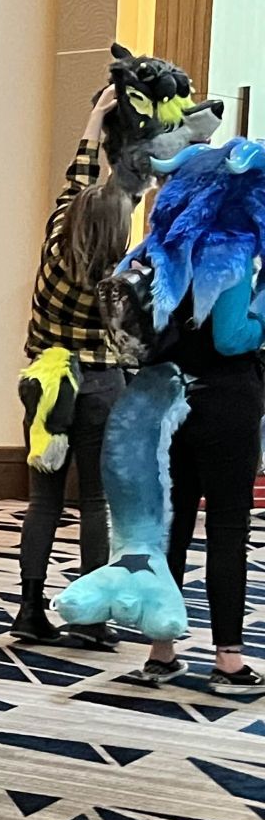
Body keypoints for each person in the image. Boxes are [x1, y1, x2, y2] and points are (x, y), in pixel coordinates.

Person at [14, 85, 135, 647]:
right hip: (102, 386)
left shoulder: (56, 243)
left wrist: (95, 119)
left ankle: (29, 609)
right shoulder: (123, 276)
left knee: (43, 501)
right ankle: (89, 617)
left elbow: (77, 181)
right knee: (95, 502)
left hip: (47, 384)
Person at [125, 280, 265, 694]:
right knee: (227, 528)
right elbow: (229, 337)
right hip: (225, 397)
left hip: (166, 394)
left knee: (172, 525)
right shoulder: (229, 256)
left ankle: (161, 650)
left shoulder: (165, 247)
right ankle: (228, 660)